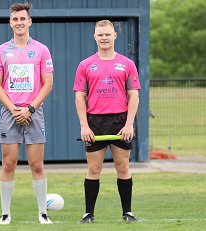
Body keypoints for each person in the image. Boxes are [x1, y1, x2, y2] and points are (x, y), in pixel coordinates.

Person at [0, 2, 54, 225]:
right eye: (15, 19)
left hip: (34, 113)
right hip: (10, 113)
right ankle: (5, 213)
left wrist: (29, 108)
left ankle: (43, 213)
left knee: (36, 165)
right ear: (10, 22)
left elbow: (47, 84)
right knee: (9, 164)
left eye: (22, 19)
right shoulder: (1, 51)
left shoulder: (41, 49)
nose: (19, 22)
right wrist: (14, 109)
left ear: (29, 21)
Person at [73, 20, 140, 223]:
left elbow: (134, 95)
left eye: (107, 34)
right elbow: (79, 97)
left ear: (114, 36)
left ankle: (127, 213)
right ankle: (88, 214)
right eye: (100, 34)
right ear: (95, 37)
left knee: (123, 167)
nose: (104, 38)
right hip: (95, 122)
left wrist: (129, 124)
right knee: (93, 169)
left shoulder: (127, 64)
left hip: (120, 120)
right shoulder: (85, 65)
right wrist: (84, 125)